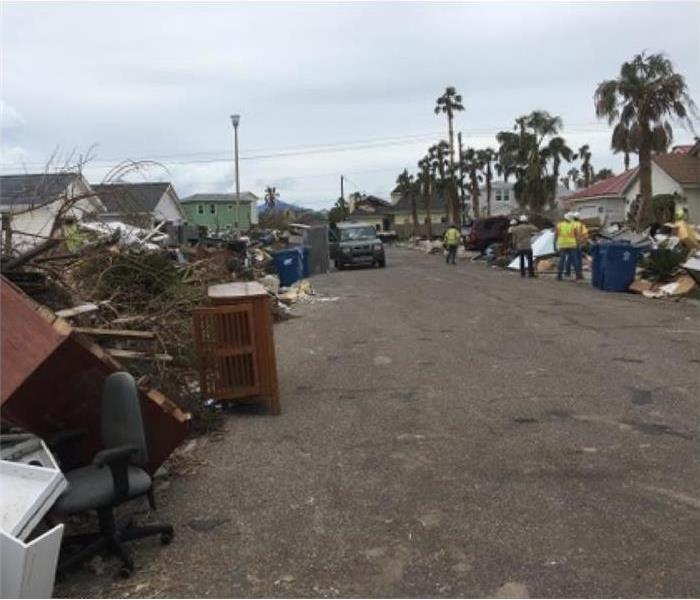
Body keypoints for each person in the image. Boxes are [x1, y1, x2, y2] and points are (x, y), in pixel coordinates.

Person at [555, 212, 581, 280]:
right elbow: (577, 236)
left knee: (562, 260)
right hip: (572, 244)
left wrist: (554, 245)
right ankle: (578, 275)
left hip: (562, 245)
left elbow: (556, 236)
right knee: (575, 260)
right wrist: (578, 244)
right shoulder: (574, 225)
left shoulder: (559, 225)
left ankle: (559, 276)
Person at [566, 211, 588, 278]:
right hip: (578, 243)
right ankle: (579, 274)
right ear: (579, 218)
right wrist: (583, 242)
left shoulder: (570, 224)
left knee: (570, 258)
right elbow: (585, 235)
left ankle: (568, 272)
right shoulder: (581, 225)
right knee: (578, 259)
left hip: (569, 243)